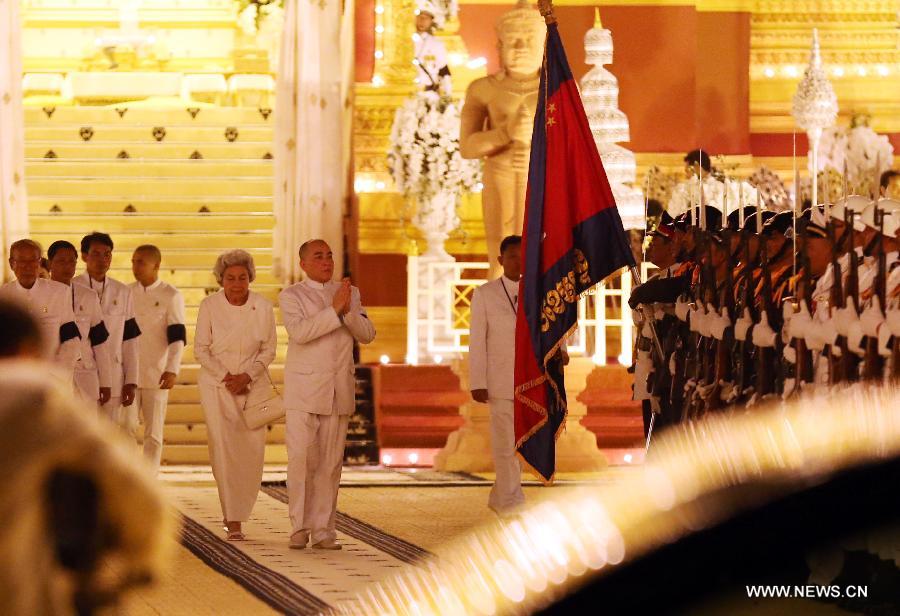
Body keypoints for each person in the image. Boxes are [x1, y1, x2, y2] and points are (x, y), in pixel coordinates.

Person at [280, 239, 376, 550]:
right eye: (318, 256)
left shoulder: (350, 293)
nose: (326, 261)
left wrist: (346, 310)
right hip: (305, 390)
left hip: (339, 389)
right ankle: (299, 526)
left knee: (331, 464)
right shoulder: (291, 295)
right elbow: (301, 333)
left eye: (330, 255)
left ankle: (323, 531)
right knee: (302, 460)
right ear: (303, 263)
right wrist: (335, 309)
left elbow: (368, 334)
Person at [195, 249, 276, 541]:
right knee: (223, 451)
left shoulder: (263, 307)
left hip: (253, 387)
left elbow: (269, 349)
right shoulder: (209, 306)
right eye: (230, 278)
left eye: (242, 277)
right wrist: (226, 377)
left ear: (250, 277)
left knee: (251, 452)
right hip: (217, 387)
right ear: (221, 279)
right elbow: (200, 349)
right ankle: (232, 517)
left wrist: (248, 376)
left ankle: (243, 509)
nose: (237, 284)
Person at [469, 235, 525, 513]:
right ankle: (512, 502)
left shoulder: (539, 292)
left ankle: (500, 497)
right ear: (501, 260)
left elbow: (551, 326)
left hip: (531, 380)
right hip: (500, 380)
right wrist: (477, 381)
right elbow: (477, 340)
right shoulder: (485, 294)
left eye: (523, 255)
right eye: (512, 256)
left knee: (524, 445)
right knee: (505, 444)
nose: (519, 261)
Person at [74, 232, 141, 435]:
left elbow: (130, 340)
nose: (102, 259)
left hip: (114, 374)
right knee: (82, 433)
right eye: (95, 253)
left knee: (110, 434)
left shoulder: (123, 292)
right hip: (81, 374)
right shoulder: (71, 288)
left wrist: (131, 380)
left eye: (107, 254)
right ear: (84, 256)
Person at [131, 245, 186, 473]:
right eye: (134, 261)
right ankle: (128, 477)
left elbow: (177, 337)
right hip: (128, 374)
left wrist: (172, 369)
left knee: (153, 434)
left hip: (157, 373)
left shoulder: (170, 295)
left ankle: (150, 478)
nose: (135, 267)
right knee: (125, 429)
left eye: (141, 262)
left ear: (156, 265)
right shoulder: (125, 293)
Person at [0, 239, 80, 380]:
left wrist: (55, 374)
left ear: (39, 263)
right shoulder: (4, 296)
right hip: (14, 381)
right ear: (12, 264)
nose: (28, 266)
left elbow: (71, 340)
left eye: (33, 260)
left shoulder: (59, 292)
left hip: (53, 379)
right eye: (22, 261)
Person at [47, 240, 113, 408]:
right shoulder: (41, 294)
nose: (67, 266)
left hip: (85, 377)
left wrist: (106, 381)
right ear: (49, 264)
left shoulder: (88, 296)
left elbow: (100, 342)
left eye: (71, 261)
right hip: (52, 377)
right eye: (61, 261)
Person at [414, 0, 452, 97]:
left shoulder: (436, 44)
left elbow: (444, 70)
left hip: (430, 93)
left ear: (431, 21)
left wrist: (447, 94)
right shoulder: (405, 41)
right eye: (420, 17)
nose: (422, 21)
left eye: (426, 18)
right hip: (410, 91)